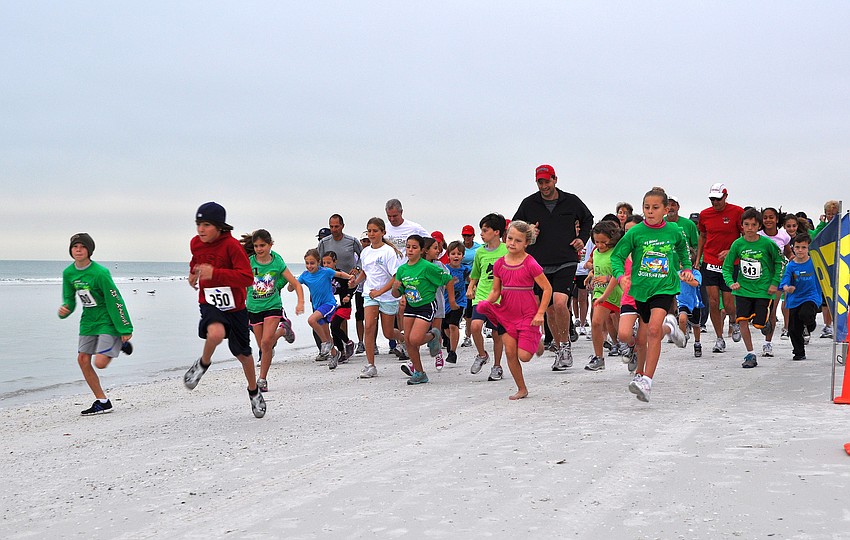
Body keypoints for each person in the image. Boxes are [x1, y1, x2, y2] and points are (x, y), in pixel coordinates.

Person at [183, 202, 266, 418]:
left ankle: (253, 390)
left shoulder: (231, 247)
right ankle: (203, 363)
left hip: (236, 306)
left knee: (243, 354)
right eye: (198, 224)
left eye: (206, 224)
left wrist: (215, 273)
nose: (201, 229)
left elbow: (247, 277)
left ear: (220, 227)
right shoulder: (196, 243)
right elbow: (196, 260)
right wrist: (193, 272)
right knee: (216, 333)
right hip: (210, 301)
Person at [611, 187, 691, 403]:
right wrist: (621, 277)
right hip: (640, 289)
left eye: (655, 208)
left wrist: (687, 267)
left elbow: (683, 249)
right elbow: (616, 257)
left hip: (664, 287)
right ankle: (671, 327)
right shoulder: (635, 233)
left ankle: (646, 380)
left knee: (653, 331)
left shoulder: (673, 230)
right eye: (647, 207)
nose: (650, 211)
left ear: (666, 209)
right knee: (648, 333)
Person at [513, 164, 593, 371]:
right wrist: (529, 234)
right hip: (539, 263)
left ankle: (566, 346)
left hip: (566, 259)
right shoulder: (529, 204)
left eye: (547, 181)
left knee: (559, 303)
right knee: (548, 309)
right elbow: (515, 227)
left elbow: (588, 219)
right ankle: (559, 347)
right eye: (540, 182)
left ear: (555, 179)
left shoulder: (571, 201)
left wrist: (581, 239)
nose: (544, 186)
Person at [58, 233, 134, 416]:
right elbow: (70, 299)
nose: (78, 250)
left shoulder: (100, 273)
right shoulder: (69, 273)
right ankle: (103, 401)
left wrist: (125, 327)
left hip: (107, 319)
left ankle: (120, 341)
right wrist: (66, 308)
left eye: (82, 247)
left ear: (89, 250)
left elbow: (115, 299)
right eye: (74, 247)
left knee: (100, 363)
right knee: (82, 360)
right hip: (88, 320)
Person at [475, 221, 551, 399]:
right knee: (510, 351)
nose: (512, 243)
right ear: (505, 237)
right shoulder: (500, 264)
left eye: (518, 240)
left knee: (524, 356)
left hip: (527, 313)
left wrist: (540, 313)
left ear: (526, 243)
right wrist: (486, 302)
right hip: (507, 312)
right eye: (510, 238)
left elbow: (547, 289)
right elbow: (495, 290)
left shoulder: (530, 263)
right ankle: (521, 388)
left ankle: (535, 341)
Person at [243, 229, 304, 392]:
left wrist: (300, 302)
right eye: (256, 246)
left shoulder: (277, 262)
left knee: (266, 342)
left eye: (262, 245)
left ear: (271, 244)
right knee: (264, 347)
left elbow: (295, 283)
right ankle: (284, 330)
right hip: (254, 308)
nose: (259, 249)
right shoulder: (249, 262)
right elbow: (240, 283)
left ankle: (262, 379)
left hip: (272, 306)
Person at [722, 209, 783, 368]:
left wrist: (775, 283)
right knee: (742, 321)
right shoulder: (738, 244)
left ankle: (765, 324)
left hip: (764, 290)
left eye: (753, 225)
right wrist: (731, 283)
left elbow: (780, 262)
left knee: (759, 324)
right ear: (741, 226)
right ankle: (750, 354)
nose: (749, 228)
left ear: (759, 226)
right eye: (746, 224)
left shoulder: (767, 244)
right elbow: (727, 267)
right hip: (743, 290)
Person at [390, 234, 454, 385]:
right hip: (411, 306)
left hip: (426, 306)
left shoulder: (427, 267)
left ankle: (433, 335)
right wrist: (395, 288)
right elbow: (396, 294)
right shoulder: (402, 270)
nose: (410, 250)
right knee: (408, 340)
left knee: (415, 339)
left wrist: (451, 300)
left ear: (421, 250)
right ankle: (420, 373)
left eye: (414, 247)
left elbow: (448, 279)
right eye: (408, 247)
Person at [348, 217, 405, 378]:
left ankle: (403, 340)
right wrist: (355, 282)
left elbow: (395, 277)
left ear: (382, 232)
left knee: (388, 332)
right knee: (369, 327)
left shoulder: (388, 252)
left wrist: (380, 292)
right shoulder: (365, 252)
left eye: (375, 231)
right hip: (369, 294)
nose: (372, 234)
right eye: (369, 231)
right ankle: (370, 365)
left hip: (386, 296)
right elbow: (365, 272)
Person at [695, 183, 744, 354]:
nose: (714, 202)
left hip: (730, 264)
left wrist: (731, 251)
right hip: (709, 261)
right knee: (713, 301)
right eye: (712, 199)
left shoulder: (737, 212)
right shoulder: (704, 214)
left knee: (729, 302)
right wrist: (697, 259)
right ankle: (719, 338)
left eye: (717, 199)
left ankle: (734, 321)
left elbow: (744, 237)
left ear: (725, 196)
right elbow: (702, 236)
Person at [294, 249, 352, 370]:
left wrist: (350, 277)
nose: (310, 266)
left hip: (329, 304)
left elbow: (340, 275)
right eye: (307, 263)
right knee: (325, 332)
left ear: (318, 262)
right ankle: (334, 355)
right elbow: (294, 285)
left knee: (311, 320)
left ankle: (325, 343)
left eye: (312, 263)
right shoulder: (305, 275)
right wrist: (290, 283)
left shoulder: (325, 272)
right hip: (317, 306)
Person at [467, 213, 508, 381]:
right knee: (475, 327)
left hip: (500, 297)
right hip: (482, 295)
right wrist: (471, 287)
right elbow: (476, 273)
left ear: (497, 232)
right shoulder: (480, 252)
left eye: (485, 230)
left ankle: (497, 366)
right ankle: (482, 354)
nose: (482, 234)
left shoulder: (507, 249)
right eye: (481, 230)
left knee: (497, 333)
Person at [584, 220, 624, 372]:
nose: (600, 245)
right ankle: (598, 357)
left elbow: (620, 272)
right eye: (596, 242)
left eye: (604, 242)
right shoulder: (595, 252)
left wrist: (607, 278)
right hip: (601, 293)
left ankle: (631, 350)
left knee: (623, 332)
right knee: (596, 322)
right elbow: (597, 267)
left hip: (618, 294)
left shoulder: (617, 252)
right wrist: (591, 274)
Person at [780, 234, 823, 360]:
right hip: (795, 298)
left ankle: (810, 325)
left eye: (803, 247)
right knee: (793, 328)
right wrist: (787, 287)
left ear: (808, 248)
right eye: (797, 247)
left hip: (811, 296)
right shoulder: (791, 265)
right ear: (793, 248)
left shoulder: (814, 262)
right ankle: (799, 352)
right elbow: (785, 279)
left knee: (805, 314)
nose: (800, 250)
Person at [758, 207, 791, 357]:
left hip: (777, 277)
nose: (768, 220)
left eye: (771, 217)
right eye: (765, 217)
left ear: (777, 219)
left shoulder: (783, 236)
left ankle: (768, 343)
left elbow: (789, 253)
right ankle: (761, 322)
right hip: (758, 279)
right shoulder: (757, 236)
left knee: (772, 309)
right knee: (759, 311)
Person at [322, 251, 356, 363]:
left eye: (329, 262)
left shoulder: (340, 274)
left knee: (335, 326)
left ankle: (348, 342)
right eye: (324, 263)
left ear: (335, 262)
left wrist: (348, 295)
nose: (326, 265)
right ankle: (342, 353)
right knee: (333, 329)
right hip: (331, 306)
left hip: (343, 305)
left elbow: (352, 285)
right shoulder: (324, 275)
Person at [813, 199, 839, 338]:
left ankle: (838, 325)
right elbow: (813, 238)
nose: (831, 217)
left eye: (833, 214)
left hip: (838, 264)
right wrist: (822, 224)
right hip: (825, 264)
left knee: (838, 296)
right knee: (826, 296)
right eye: (828, 214)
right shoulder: (822, 226)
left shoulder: (842, 227)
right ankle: (827, 325)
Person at [443, 240, 470, 365]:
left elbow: (471, 280)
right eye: (453, 253)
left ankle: (453, 352)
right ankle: (450, 342)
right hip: (445, 302)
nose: (456, 256)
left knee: (453, 325)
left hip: (460, 301)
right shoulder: (445, 269)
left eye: (459, 254)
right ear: (448, 255)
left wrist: (472, 288)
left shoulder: (465, 269)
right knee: (446, 328)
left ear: (463, 256)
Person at [460, 224, 481, 348]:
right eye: (464, 235)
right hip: (464, 283)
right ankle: (468, 336)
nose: (467, 237)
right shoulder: (460, 247)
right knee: (468, 312)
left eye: (469, 235)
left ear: (473, 236)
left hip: (478, 282)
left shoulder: (479, 248)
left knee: (479, 308)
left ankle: (485, 330)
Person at [353, 231, 370, 354]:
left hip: (372, 290)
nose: (366, 243)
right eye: (364, 241)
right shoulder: (356, 256)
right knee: (359, 316)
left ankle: (372, 343)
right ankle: (360, 342)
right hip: (359, 290)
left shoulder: (376, 253)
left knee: (373, 318)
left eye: (368, 240)